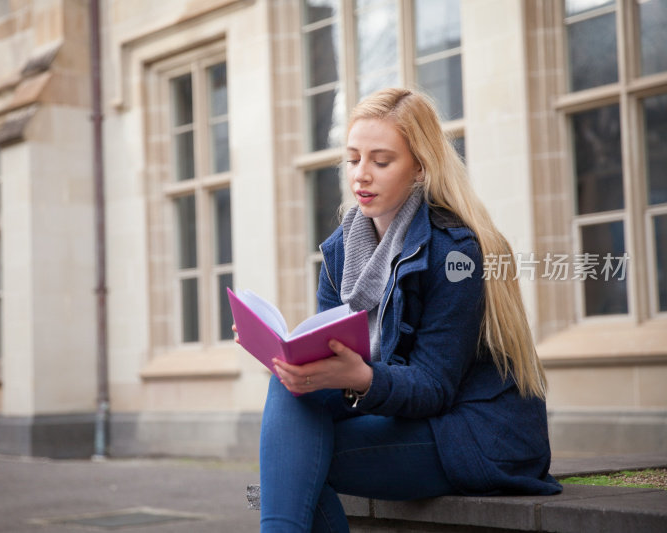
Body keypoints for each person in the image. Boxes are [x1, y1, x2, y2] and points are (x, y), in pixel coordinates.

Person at [235, 87, 562, 533]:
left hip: (471, 432)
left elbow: (435, 387)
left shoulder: (455, 255)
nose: (361, 176)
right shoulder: (338, 254)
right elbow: (328, 366)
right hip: (399, 415)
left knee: (297, 464)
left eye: (381, 161)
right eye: (353, 159)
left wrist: (357, 376)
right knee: (289, 392)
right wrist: (284, 357)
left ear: (420, 169)